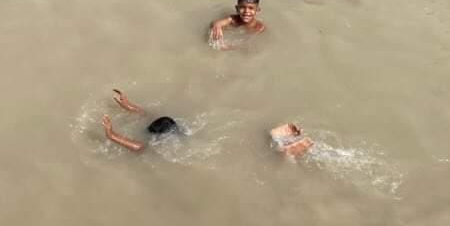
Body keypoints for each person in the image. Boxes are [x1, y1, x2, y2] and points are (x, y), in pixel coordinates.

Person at [102, 90, 313, 158]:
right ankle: (278, 140)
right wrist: (127, 104)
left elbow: (139, 147)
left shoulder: (161, 144)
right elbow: (146, 113)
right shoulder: (183, 129)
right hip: (203, 138)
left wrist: (112, 135)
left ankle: (282, 151)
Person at [101, 89, 181, 152]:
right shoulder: (176, 132)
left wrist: (110, 133)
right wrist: (127, 105)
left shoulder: (152, 146)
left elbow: (138, 147)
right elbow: (144, 113)